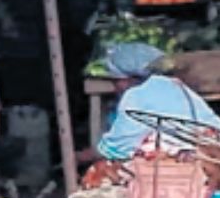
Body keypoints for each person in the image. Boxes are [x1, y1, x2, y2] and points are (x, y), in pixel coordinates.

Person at [77, 43, 220, 167]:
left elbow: (117, 148)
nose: (115, 87)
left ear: (129, 78)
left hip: (193, 162)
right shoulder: (175, 85)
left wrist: (77, 158)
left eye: (116, 81)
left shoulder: (136, 95)